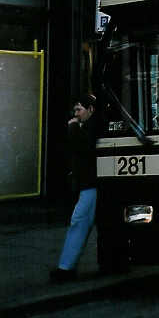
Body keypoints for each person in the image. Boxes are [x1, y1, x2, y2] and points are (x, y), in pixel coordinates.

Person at [50, 94, 99, 283]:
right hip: (88, 183)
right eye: (75, 110)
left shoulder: (86, 128)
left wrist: (72, 127)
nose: (76, 114)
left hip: (90, 184)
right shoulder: (88, 126)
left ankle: (66, 268)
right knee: (80, 222)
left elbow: (83, 148)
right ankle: (66, 267)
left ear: (90, 109)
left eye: (79, 109)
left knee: (79, 221)